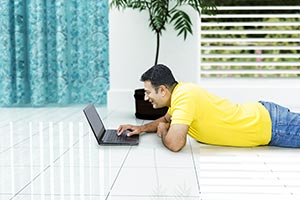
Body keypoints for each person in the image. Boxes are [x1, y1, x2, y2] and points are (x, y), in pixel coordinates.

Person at [117, 64, 300, 152]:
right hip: (265, 119)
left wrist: (163, 131)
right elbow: (165, 119)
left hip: (273, 125)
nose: (146, 98)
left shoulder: (184, 96)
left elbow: (175, 143)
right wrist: (141, 129)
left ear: (163, 90)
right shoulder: (180, 94)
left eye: (148, 92)